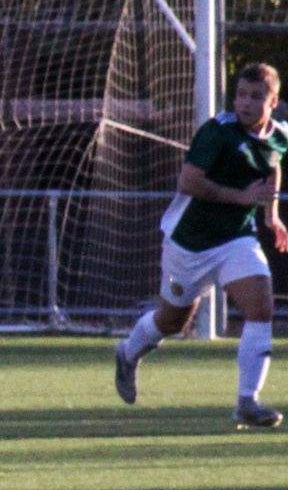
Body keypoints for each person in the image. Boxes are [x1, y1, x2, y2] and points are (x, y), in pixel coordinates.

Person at [113, 62, 288, 426]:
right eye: (241, 94)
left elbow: (273, 163)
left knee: (261, 305)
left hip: (236, 240)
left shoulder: (279, 135)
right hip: (189, 242)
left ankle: (246, 401)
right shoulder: (216, 133)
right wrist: (241, 198)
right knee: (173, 321)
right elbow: (189, 182)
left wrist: (271, 214)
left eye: (257, 97)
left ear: (274, 102)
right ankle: (128, 353)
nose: (245, 103)